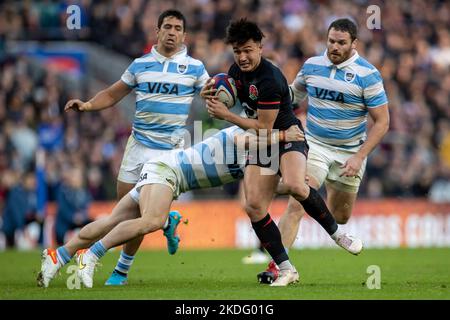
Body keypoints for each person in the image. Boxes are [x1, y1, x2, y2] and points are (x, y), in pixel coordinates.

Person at [36, 124, 303, 288]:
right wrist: (283, 136)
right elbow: (244, 141)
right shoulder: (246, 133)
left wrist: (292, 183)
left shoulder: (259, 158)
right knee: (151, 220)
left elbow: (259, 191)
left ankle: (58, 256)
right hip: (168, 170)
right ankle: (91, 255)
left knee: (112, 221)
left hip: (166, 171)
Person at [202, 18, 363, 286]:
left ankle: (337, 235)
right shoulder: (235, 71)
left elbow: (264, 126)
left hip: (288, 136)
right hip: (264, 142)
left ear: (260, 47)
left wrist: (227, 115)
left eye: (248, 50)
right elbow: (227, 94)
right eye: (238, 51)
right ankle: (286, 268)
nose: (242, 57)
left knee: (294, 185)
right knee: (253, 205)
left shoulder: (270, 78)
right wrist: (210, 95)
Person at [61, 9, 209, 285]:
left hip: (168, 153)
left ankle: (121, 271)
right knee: (125, 214)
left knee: (142, 215)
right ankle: (166, 221)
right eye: (167, 26)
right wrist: (89, 104)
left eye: (178, 28)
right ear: (157, 31)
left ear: (184, 35)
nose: (172, 32)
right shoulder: (140, 65)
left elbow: (212, 94)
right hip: (138, 146)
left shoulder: (195, 68)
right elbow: (113, 93)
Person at [259, 18, 390, 282]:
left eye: (341, 43)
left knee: (340, 216)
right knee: (297, 200)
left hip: (349, 153)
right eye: (331, 41)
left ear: (354, 44)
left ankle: (322, 213)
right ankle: (278, 267)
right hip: (315, 145)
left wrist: (359, 156)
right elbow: (292, 97)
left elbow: (383, 121)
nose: (335, 47)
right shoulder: (312, 66)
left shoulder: (368, 75)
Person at [55, 166, 93, 246]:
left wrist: (82, 216)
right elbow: (63, 209)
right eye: (74, 176)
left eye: (79, 176)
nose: (76, 179)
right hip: (66, 226)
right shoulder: (63, 192)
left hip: (81, 224)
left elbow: (88, 209)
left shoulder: (85, 193)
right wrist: (73, 217)